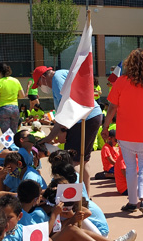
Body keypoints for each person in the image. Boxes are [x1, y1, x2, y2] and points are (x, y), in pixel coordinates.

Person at [100, 50, 143, 216]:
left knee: (131, 166)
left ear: (129, 64)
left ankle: (132, 202)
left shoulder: (121, 82)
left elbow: (112, 108)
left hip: (125, 133)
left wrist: (105, 127)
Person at [34, 63, 109, 201]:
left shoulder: (57, 79)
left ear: (43, 77)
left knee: (70, 161)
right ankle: (85, 196)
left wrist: (60, 131)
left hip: (83, 119)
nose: (40, 88)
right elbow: (64, 112)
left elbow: (69, 106)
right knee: (83, 159)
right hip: (90, 116)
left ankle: (72, 197)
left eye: (38, 84)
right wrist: (52, 135)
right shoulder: (62, 74)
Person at [0, 62, 25, 134]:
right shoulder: (15, 80)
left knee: (6, 134)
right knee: (14, 131)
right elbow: (22, 95)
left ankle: (9, 145)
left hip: (3, 110)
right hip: (15, 108)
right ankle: (15, 145)